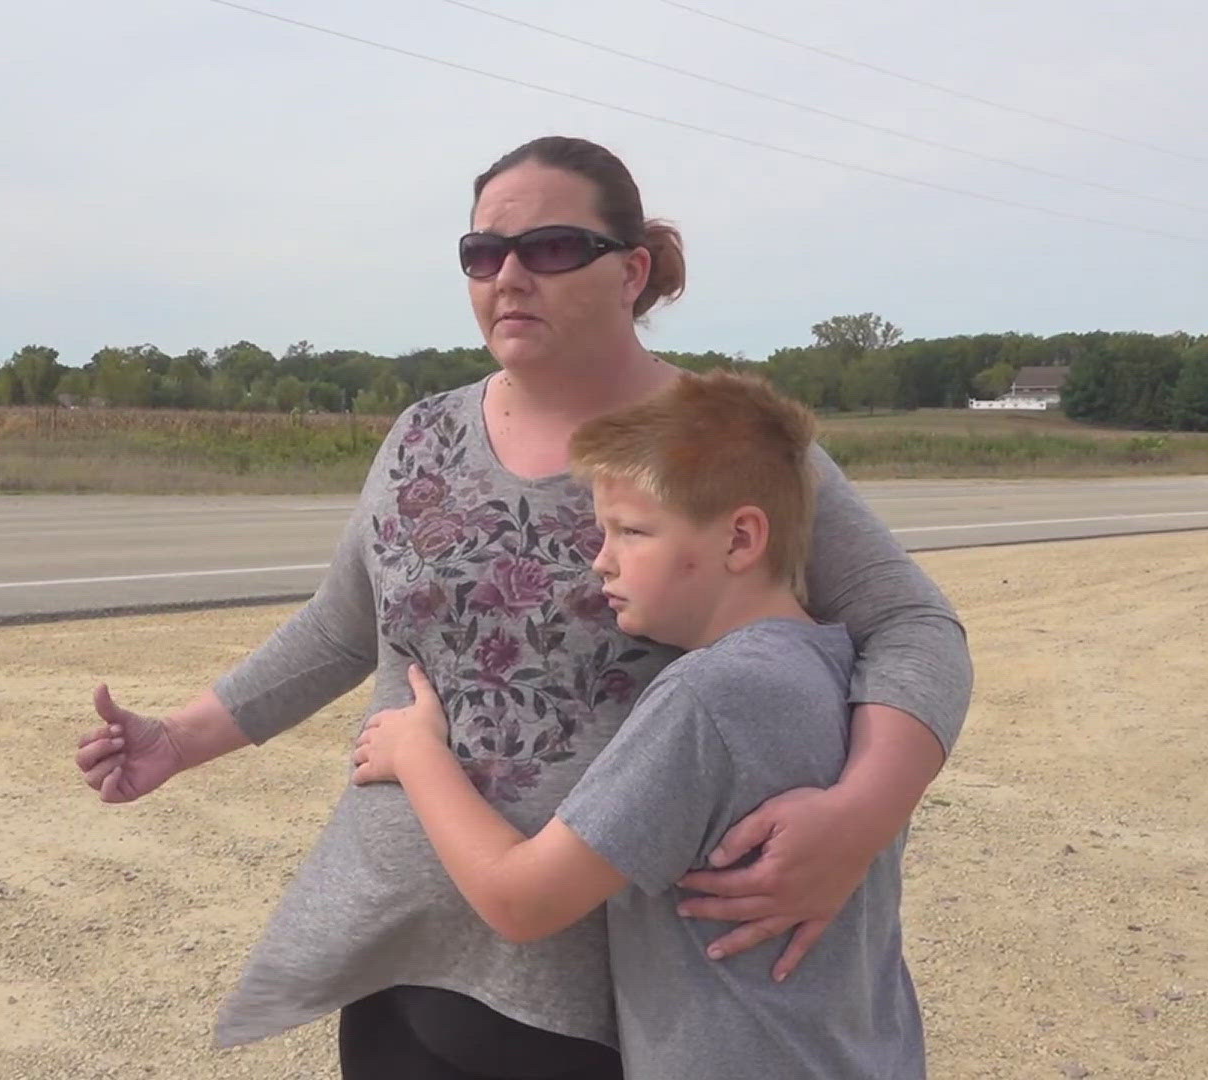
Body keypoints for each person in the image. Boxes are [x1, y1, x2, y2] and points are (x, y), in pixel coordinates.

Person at [74, 135, 970, 1079]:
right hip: (400, 945)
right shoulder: (424, 434)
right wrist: (178, 739)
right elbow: (343, 627)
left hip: (596, 998)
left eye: (548, 249)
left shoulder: (715, 445)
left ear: (631, 271)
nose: (508, 276)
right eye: (481, 254)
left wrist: (862, 815)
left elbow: (911, 627)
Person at [352, 370, 923, 1078]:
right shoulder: (844, 672)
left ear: (741, 539)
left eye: (632, 531)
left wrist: (417, 755)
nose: (601, 561)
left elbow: (522, 900)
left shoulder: (708, 696)